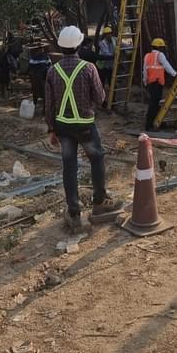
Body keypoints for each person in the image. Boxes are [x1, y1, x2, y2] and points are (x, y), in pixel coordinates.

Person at [45, 25, 123, 232]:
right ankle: (99, 203)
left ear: (61, 46)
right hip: (85, 125)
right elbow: (100, 98)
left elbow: (49, 105)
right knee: (96, 159)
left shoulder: (53, 71)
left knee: (69, 167)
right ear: (79, 44)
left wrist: (52, 129)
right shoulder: (89, 68)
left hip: (63, 127)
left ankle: (74, 214)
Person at [143, 38, 177, 131]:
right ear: (159, 47)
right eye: (162, 47)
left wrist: (145, 82)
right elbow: (166, 66)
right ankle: (149, 124)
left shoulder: (147, 56)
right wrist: (175, 74)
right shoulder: (160, 55)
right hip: (157, 83)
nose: (163, 49)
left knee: (155, 103)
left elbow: (145, 71)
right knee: (153, 104)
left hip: (150, 83)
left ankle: (159, 122)